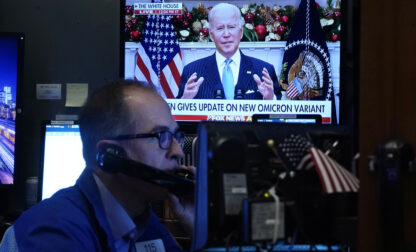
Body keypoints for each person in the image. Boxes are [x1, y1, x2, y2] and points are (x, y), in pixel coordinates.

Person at [0, 80, 194, 251]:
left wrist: (199, 227)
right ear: (111, 155)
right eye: (161, 136)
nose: (178, 151)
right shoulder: (55, 233)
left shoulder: (143, 221)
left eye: (176, 136)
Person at [176, 3, 281, 100]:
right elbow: (177, 116)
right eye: (220, 28)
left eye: (231, 27)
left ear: (240, 33)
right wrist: (186, 100)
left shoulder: (264, 71)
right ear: (211, 35)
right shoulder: (192, 71)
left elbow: (280, 117)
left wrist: (270, 99)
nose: (226, 34)